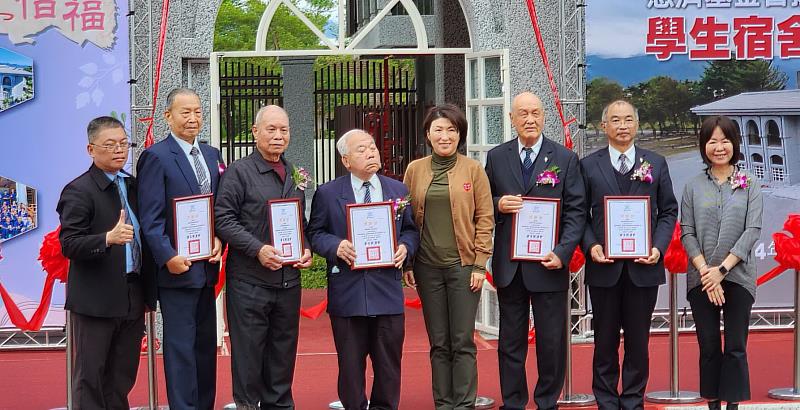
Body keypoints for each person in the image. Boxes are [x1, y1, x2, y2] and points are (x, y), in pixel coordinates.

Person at [484, 92, 586, 410]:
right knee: (510, 341)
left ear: (544, 117)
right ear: (512, 119)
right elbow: (484, 205)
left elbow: (576, 211)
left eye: (536, 112)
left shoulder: (564, 158)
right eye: (523, 113)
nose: (530, 119)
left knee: (551, 341)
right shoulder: (497, 157)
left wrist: (563, 251)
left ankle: (546, 401)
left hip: (549, 263)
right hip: (511, 264)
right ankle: (513, 402)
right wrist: (499, 204)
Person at [306, 129, 419, 410]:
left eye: (372, 147)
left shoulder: (397, 190)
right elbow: (315, 232)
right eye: (361, 149)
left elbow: (411, 230)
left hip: (387, 290)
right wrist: (336, 246)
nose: (371, 152)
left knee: (389, 364)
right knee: (350, 365)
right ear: (346, 160)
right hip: (349, 291)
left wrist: (405, 248)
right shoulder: (329, 193)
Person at [581, 100, 678, 410]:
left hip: (643, 267)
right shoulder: (588, 165)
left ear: (637, 125)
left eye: (628, 120)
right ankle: (607, 402)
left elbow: (668, 211)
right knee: (604, 343)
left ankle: (633, 401)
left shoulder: (656, 163)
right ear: (603, 126)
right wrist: (591, 245)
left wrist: (658, 247)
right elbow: (578, 213)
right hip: (603, 267)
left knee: (638, 342)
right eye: (615, 120)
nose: (622, 126)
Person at [215, 105, 313, 409]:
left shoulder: (295, 172)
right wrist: (257, 249)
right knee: (248, 359)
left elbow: (300, 222)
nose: (278, 136)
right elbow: (223, 219)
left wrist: (305, 247)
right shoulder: (239, 172)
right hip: (250, 283)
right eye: (271, 129)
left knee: (282, 356)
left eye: (283, 130)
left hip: (287, 282)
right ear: (255, 132)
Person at [56, 116, 156, 409]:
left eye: (124, 144)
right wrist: (107, 239)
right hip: (95, 300)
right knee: (91, 376)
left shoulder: (133, 186)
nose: (119, 150)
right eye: (110, 145)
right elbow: (69, 244)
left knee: (122, 376)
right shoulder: (79, 191)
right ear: (91, 149)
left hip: (132, 293)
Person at [402, 104, 494, 410]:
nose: (445, 136)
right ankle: (443, 403)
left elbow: (485, 218)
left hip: (464, 268)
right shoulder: (415, 170)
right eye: (438, 130)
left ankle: (464, 403)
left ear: (460, 135)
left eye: (452, 130)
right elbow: (405, 219)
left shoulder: (473, 169)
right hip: (427, 269)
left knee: (463, 341)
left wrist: (480, 263)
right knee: (439, 343)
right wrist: (409, 262)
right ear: (428, 135)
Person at [137, 88, 224, 410]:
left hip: (206, 269)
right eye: (184, 112)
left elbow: (220, 210)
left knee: (205, 347)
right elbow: (150, 218)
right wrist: (167, 256)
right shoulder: (156, 157)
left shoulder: (213, 155)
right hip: (176, 270)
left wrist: (219, 240)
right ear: (168, 116)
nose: (192, 118)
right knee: (180, 348)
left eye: (197, 111)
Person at [680, 115, 762, 410]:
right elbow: (687, 232)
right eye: (712, 141)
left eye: (724, 140)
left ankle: (733, 405)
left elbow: (752, 230)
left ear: (734, 144)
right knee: (710, 346)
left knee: (736, 347)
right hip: (701, 279)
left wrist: (722, 270)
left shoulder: (750, 184)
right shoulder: (691, 187)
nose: (719, 147)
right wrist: (706, 272)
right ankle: (713, 403)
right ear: (704, 146)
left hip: (737, 276)